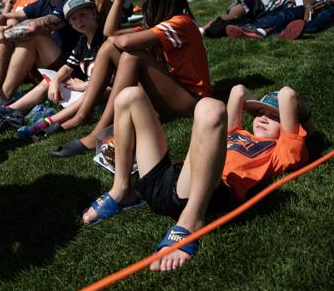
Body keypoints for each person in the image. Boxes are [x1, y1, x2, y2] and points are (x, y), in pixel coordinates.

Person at [80, 84, 309, 272]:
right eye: (259, 113)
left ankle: (191, 222)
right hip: (174, 180)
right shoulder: (237, 132)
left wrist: (301, 118)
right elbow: (238, 91)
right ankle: (122, 190)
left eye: (273, 116)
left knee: (211, 107)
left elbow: (288, 94)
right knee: (129, 96)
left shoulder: (282, 151)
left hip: (202, 194)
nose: (263, 118)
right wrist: (255, 107)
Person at [51, 0, 211, 157]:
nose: (144, 2)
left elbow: (123, 41)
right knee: (110, 47)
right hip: (172, 94)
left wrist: (115, 41)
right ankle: (82, 115)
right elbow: (108, 32)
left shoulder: (180, 23)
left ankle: (98, 133)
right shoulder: (162, 24)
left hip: (192, 101)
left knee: (131, 55)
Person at [8, 0, 106, 139]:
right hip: (88, 89)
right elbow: (68, 66)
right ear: (70, 24)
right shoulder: (82, 41)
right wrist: (55, 81)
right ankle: (8, 110)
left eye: (83, 15)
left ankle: (47, 122)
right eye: (74, 18)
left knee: (88, 93)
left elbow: (113, 76)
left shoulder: (104, 37)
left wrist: (86, 85)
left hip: (104, 90)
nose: (79, 21)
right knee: (50, 79)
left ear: (93, 13)